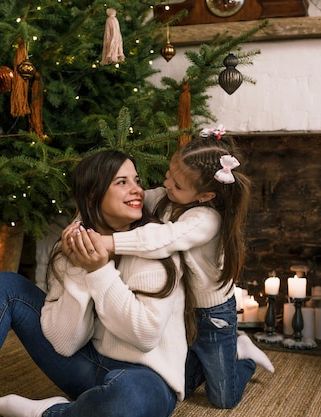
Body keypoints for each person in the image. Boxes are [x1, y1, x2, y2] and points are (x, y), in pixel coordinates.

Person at [0, 150, 192, 417]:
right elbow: (66, 344)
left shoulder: (155, 244)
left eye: (137, 181)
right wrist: (82, 270)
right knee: (6, 286)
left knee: (126, 399)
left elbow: (145, 336)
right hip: (87, 364)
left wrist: (100, 270)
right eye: (122, 182)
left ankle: (50, 411)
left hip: (146, 376)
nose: (137, 190)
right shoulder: (72, 246)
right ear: (93, 195)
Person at [78, 126, 274, 409]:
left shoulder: (205, 220)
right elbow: (132, 197)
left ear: (205, 195)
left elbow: (161, 240)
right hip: (182, 308)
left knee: (224, 398)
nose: (167, 184)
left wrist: (108, 243)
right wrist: (85, 212)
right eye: (169, 175)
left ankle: (241, 354)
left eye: (178, 185)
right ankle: (215, 359)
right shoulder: (168, 198)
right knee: (176, 376)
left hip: (213, 315)